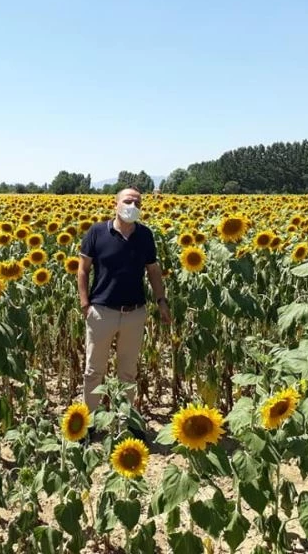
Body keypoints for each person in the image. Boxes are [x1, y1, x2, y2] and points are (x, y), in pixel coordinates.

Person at [77, 186, 172, 440]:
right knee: (94, 370)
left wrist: (161, 300)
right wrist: (85, 303)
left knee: (127, 371)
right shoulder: (97, 232)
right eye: (128, 201)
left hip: (134, 312)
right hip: (102, 311)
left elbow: (153, 271)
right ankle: (89, 423)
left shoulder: (145, 235)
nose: (133, 206)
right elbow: (83, 269)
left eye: (138, 202)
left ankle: (125, 422)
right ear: (116, 204)